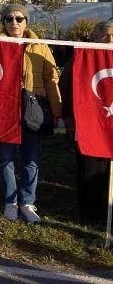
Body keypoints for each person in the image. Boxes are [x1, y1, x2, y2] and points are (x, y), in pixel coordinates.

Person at [0, 3, 61, 224]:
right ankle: (10, 201)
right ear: (3, 23)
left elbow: (52, 79)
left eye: (19, 18)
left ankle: (27, 201)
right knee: (6, 157)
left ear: (26, 21)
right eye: (9, 19)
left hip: (33, 107)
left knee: (31, 158)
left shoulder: (40, 46)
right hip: (5, 108)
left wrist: (56, 109)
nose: (14, 22)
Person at [59, 20, 112, 221]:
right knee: (91, 169)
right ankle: (91, 213)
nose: (110, 39)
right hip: (90, 124)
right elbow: (65, 88)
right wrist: (69, 118)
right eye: (105, 35)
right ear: (95, 37)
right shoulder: (82, 60)